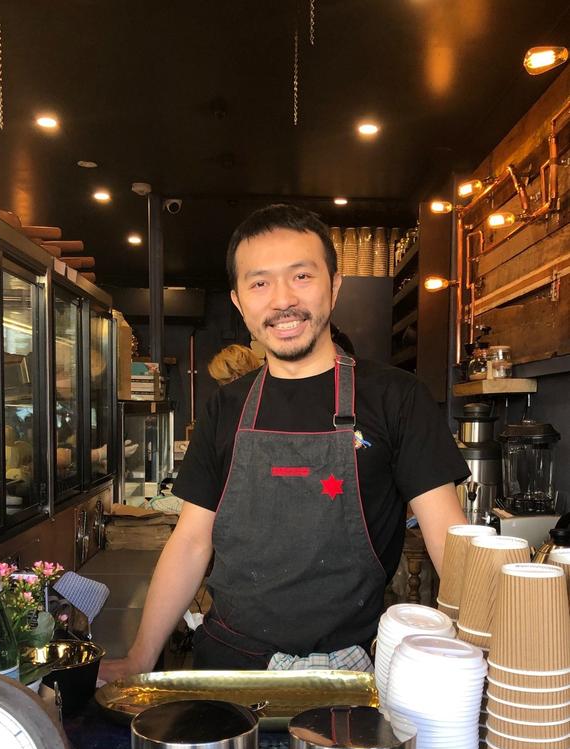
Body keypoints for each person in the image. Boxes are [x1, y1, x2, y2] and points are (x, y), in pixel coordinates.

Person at [100, 204, 469, 679]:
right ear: (238, 302)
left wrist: (482, 657)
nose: (281, 301)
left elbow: (449, 542)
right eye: (260, 283)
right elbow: (191, 541)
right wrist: (139, 657)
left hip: (356, 672)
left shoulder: (397, 398)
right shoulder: (226, 406)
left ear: (334, 287)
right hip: (229, 669)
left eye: (301, 276)